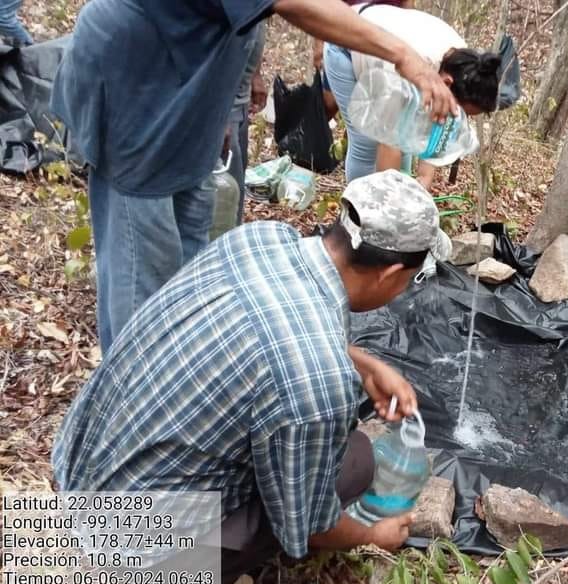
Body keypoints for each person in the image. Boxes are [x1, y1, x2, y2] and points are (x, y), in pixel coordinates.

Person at [52, 171, 453, 584]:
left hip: (79, 466)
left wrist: (364, 364)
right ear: (390, 274)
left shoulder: (262, 239)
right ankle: (172, 580)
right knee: (354, 462)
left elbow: (263, 328)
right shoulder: (317, 383)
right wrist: (374, 536)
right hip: (130, 547)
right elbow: (312, 528)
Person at [50, 0, 457, 354]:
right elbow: (292, 3)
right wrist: (403, 56)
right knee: (142, 266)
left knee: (194, 254)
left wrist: (223, 100)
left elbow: (240, 20)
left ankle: (184, 361)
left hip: (193, 96)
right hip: (140, 86)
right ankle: (134, 398)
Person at [322, 3, 502, 186]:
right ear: (446, 83)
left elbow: (436, 130)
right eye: (458, 113)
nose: (456, 120)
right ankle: (356, 208)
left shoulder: (469, 67)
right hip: (346, 43)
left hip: (386, 48)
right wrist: (389, 200)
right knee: (367, 141)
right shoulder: (406, 70)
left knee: (407, 140)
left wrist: (422, 184)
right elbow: (389, 143)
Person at [224, 21, 268, 227]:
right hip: (223, 102)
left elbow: (256, 17)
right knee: (223, 189)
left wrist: (255, 75)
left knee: (235, 180)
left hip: (238, 96)